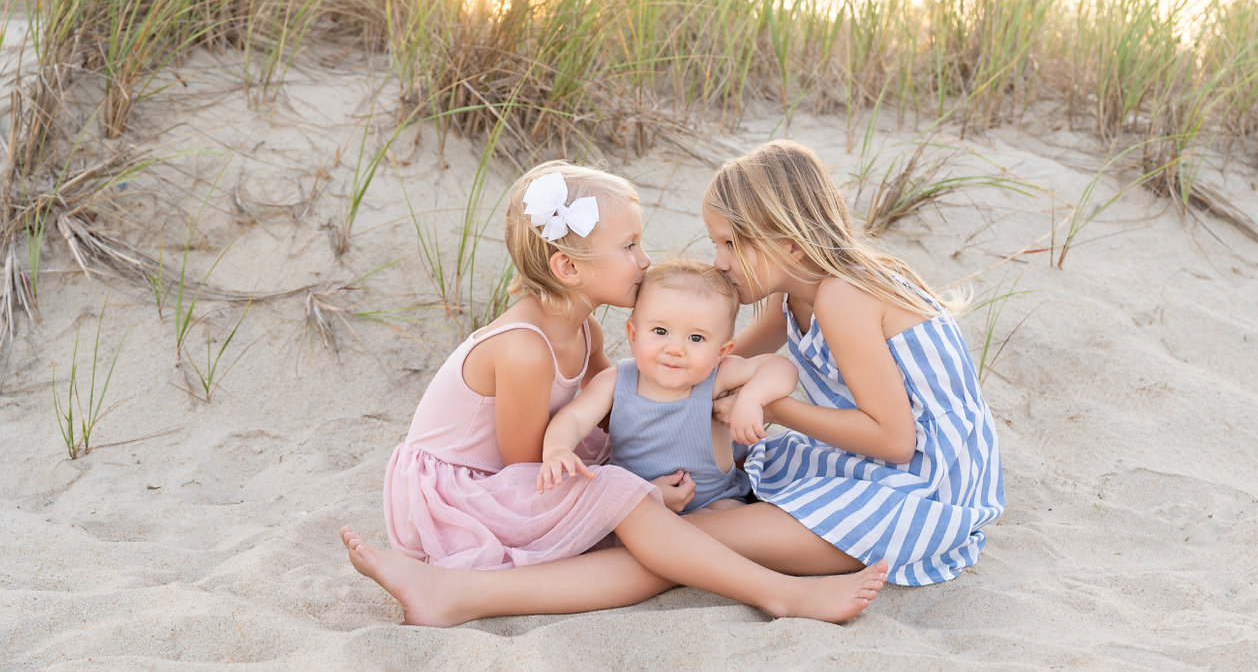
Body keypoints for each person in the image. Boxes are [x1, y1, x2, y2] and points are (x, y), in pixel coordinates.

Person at [343, 159, 887, 625]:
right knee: (631, 505)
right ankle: (780, 593)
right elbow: (528, 469)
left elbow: (619, 412)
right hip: (462, 497)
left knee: (645, 503)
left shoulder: (585, 329)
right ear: (567, 267)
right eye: (629, 246)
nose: (645, 260)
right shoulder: (525, 349)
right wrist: (639, 492)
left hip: (515, 476)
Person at [704, 139, 1004, 586]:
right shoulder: (791, 295)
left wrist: (772, 408)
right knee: (714, 495)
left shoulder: (843, 295)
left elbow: (895, 440)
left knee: (695, 536)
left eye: (730, 244)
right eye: (715, 243)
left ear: (789, 244)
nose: (718, 262)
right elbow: (717, 366)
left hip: (928, 487)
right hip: (872, 461)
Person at [538, 258, 796, 514]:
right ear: (633, 335)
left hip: (713, 500)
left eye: (696, 338)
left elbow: (780, 367)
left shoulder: (716, 378)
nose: (675, 349)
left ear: (721, 352)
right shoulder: (617, 381)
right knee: (623, 523)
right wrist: (558, 449)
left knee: (732, 519)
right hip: (636, 505)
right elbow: (573, 418)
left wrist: (751, 399)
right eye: (660, 331)